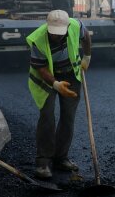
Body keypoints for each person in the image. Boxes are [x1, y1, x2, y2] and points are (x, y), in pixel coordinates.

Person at [27, 10, 92, 180]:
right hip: (47, 78)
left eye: (59, 34)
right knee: (47, 116)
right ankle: (43, 162)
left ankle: (60, 158)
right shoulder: (38, 39)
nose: (56, 37)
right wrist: (56, 84)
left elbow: (86, 37)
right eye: (53, 33)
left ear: (68, 26)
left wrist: (87, 56)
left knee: (68, 117)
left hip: (71, 74)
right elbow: (41, 68)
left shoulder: (75, 25)